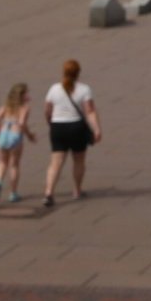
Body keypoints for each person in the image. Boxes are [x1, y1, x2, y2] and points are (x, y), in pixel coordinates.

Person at [43, 59, 101, 207]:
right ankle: (77, 190)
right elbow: (90, 111)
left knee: (56, 162)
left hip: (58, 127)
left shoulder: (54, 88)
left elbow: (47, 110)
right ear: (78, 73)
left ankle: (49, 192)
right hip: (76, 128)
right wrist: (97, 129)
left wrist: (50, 122)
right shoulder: (84, 89)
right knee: (79, 160)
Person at [0, 82, 37, 202]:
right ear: (22, 95)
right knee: (14, 165)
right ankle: (13, 193)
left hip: (3, 134)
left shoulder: (6, 106)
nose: (28, 94)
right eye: (27, 92)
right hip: (15, 136)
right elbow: (22, 123)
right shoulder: (25, 108)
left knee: (2, 162)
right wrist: (29, 135)